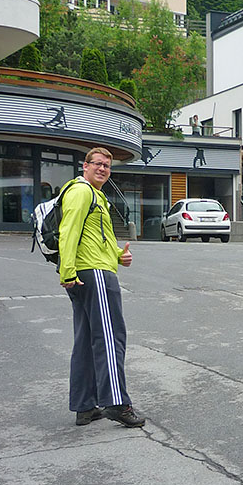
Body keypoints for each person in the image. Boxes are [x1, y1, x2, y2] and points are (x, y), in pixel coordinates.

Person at [58, 147, 145, 428]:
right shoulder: (82, 191)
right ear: (85, 165)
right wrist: (67, 270)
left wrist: (119, 255)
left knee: (85, 341)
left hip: (90, 269)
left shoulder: (96, 195)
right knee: (110, 337)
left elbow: (97, 238)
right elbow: (68, 231)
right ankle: (117, 402)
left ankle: (85, 406)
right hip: (93, 273)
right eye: (97, 164)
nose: (103, 169)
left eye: (107, 165)